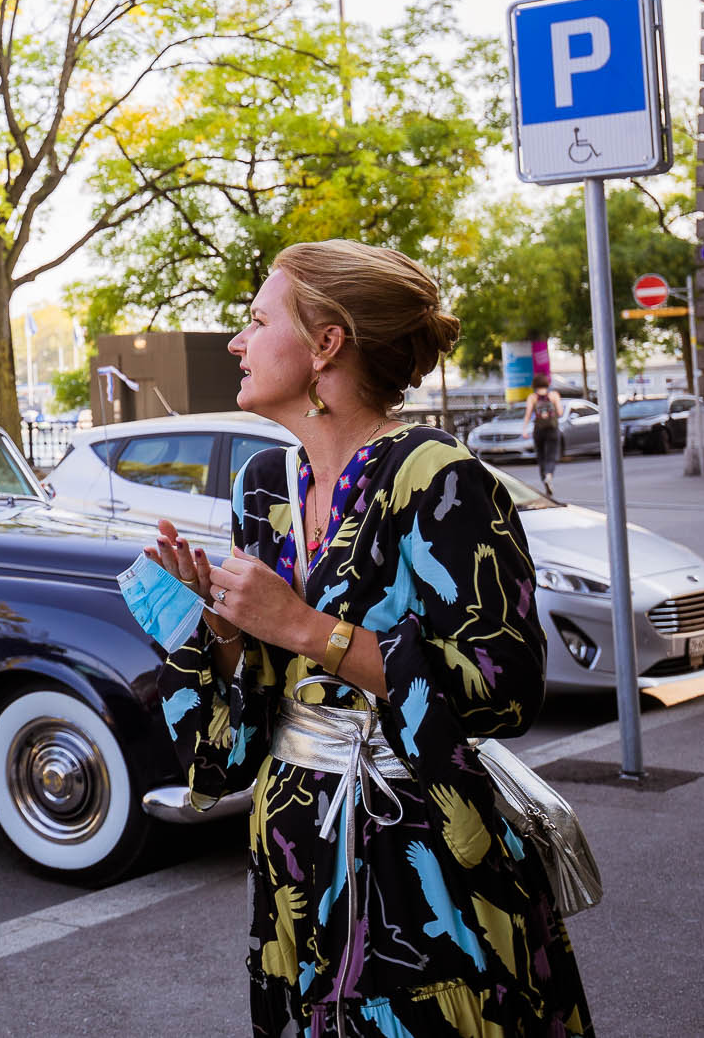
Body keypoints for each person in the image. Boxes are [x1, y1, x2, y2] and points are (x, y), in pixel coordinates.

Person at [144, 239, 591, 1038]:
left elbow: (506, 688)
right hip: (294, 864)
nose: (236, 343)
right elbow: (234, 747)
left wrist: (301, 626)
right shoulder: (266, 489)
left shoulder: (439, 475)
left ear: (326, 343)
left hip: (422, 872)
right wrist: (222, 633)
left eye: (254, 320)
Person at [523, 371, 564, 496]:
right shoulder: (554, 395)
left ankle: (544, 480)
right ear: (547, 383)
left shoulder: (532, 397)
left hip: (538, 430)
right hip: (552, 429)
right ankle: (549, 475)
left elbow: (528, 414)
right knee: (551, 455)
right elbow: (561, 412)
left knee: (541, 456)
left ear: (535, 385)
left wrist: (524, 429)